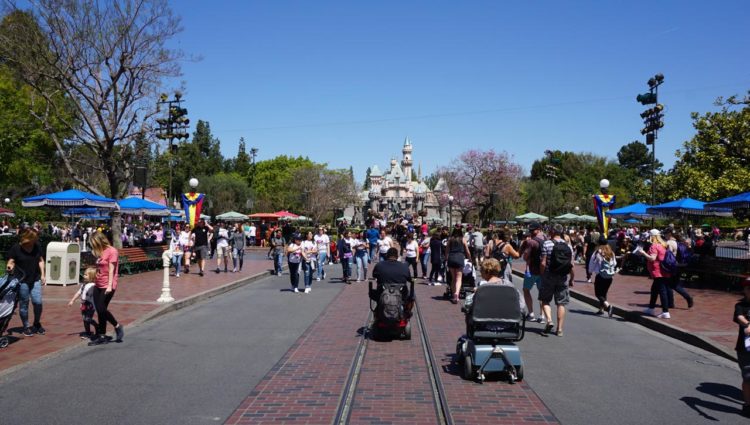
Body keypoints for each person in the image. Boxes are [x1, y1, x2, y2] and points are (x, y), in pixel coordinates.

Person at [5, 228, 46, 337]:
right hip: (21, 279)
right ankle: (26, 326)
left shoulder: (36, 246)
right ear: (28, 238)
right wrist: (9, 266)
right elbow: (11, 261)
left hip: (35, 278)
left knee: (38, 302)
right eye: (34, 237)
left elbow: (41, 260)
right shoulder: (16, 248)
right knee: (24, 303)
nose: (36, 239)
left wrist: (43, 275)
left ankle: (36, 323)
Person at [88, 232, 124, 345]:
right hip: (98, 284)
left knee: (101, 309)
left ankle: (117, 326)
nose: (93, 246)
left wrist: (109, 286)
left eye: (94, 243)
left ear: (99, 241)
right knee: (100, 311)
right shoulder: (99, 251)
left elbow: (111, 270)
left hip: (108, 285)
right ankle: (102, 336)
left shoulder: (112, 251)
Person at [539, 224, 573, 337]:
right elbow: (571, 264)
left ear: (553, 231)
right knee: (561, 303)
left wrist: (542, 273)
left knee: (545, 300)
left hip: (549, 275)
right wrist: (571, 277)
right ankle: (559, 329)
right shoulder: (567, 245)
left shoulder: (547, 243)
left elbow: (543, 262)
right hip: (562, 276)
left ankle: (549, 320)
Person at [637, 229, 673, 319]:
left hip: (658, 272)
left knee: (662, 291)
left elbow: (652, 258)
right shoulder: (663, 245)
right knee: (654, 290)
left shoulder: (654, 246)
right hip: (663, 271)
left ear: (652, 237)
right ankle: (651, 308)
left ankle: (665, 311)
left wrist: (643, 253)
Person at [372, 247, 414, 314]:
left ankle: (377, 312)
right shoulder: (404, 267)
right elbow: (409, 278)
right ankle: (407, 312)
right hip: (401, 294)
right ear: (397, 257)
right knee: (412, 295)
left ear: (386, 255)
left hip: (382, 293)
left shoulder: (379, 265)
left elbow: (374, 275)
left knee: (375, 292)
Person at [521, 222, 546, 324]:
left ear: (538, 229)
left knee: (526, 290)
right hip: (543, 271)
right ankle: (542, 315)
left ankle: (531, 313)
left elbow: (525, 256)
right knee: (542, 293)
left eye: (532, 230)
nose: (531, 232)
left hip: (532, 271)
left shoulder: (531, 242)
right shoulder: (547, 239)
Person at [733, 277, 750, 418]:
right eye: (748, 288)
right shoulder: (741, 306)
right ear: (745, 290)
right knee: (748, 376)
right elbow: (739, 317)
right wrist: (747, 324)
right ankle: (747, 404)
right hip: (745, 348)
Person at [587, 237, 617, 317]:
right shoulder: (611, 252)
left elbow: (592, 263)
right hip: (609, 276)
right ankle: (601, 309)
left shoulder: (598, 252)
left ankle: (608, 306)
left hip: (600, 275)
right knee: (604, 293)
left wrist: (590, 272)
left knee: (598, 294)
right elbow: (614, 263)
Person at [68, 267, 97, 339]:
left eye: (86, 275)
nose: (84, 276)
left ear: (92, 276)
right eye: (84, 274)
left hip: (90, 306)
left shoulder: (92, 286)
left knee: (87, 318)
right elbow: (78, 293)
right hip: (83, 305)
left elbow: (91, 296)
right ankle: (88, 332)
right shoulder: (83, 285)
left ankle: (97, 326)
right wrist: (72, 300)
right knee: (84, 319)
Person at [445, 228, 471, 304]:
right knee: (459, 278)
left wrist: (446, 258)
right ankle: (457, 293)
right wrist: (469, 258)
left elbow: (446, 250)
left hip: (451, 257)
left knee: (453, 278)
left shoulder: (450, 239)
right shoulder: (463, 239)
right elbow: (467, 250)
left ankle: (453, 295)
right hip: (460, 257)